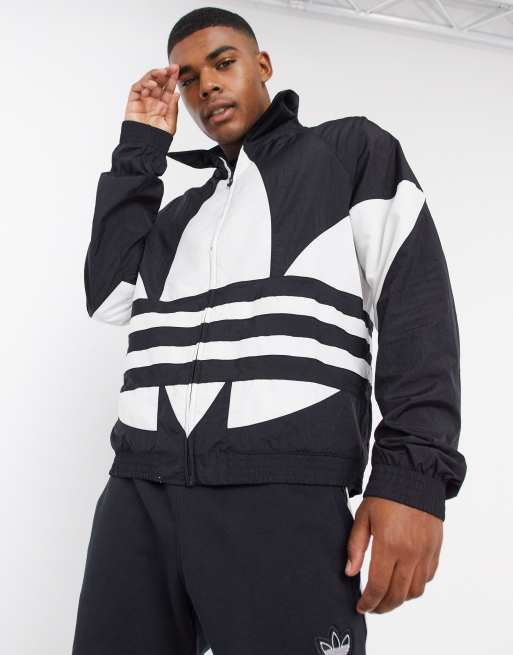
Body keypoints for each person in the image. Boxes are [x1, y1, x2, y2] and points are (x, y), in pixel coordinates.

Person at [71, 7, 467, 655]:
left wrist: (412, 480)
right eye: (188, 77)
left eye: (223, 63)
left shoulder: (349, 153)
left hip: (284, 491)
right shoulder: (180, 214)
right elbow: (109, 296)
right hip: (139, 494)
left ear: (262, 65)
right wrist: (139, 147)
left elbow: (417, 308)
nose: (206, 85)